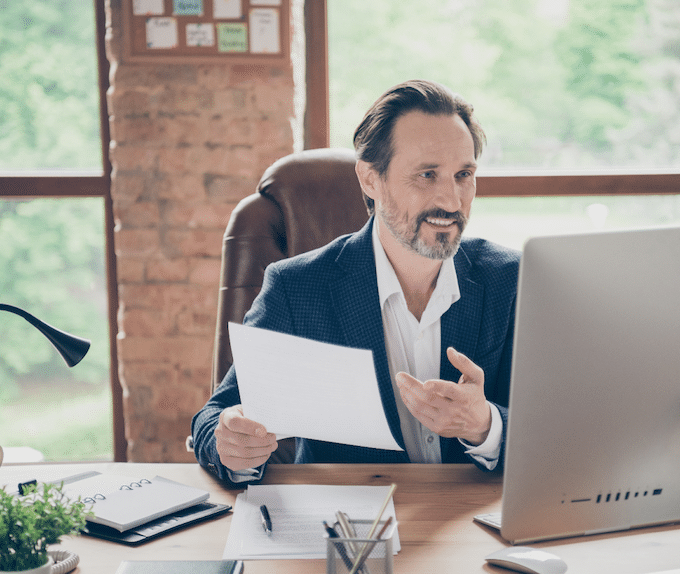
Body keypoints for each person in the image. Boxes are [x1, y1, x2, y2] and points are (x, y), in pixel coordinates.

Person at [190, 80, 520, 484]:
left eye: (463, 174)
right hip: (347, 530)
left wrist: (486, 425)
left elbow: (564, 426)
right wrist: (233, 444)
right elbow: (213, 418)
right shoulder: (297, 289)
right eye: (427, 174)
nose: (451, 201)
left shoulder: (512, 281)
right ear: (370, 180)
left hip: (473, 528)